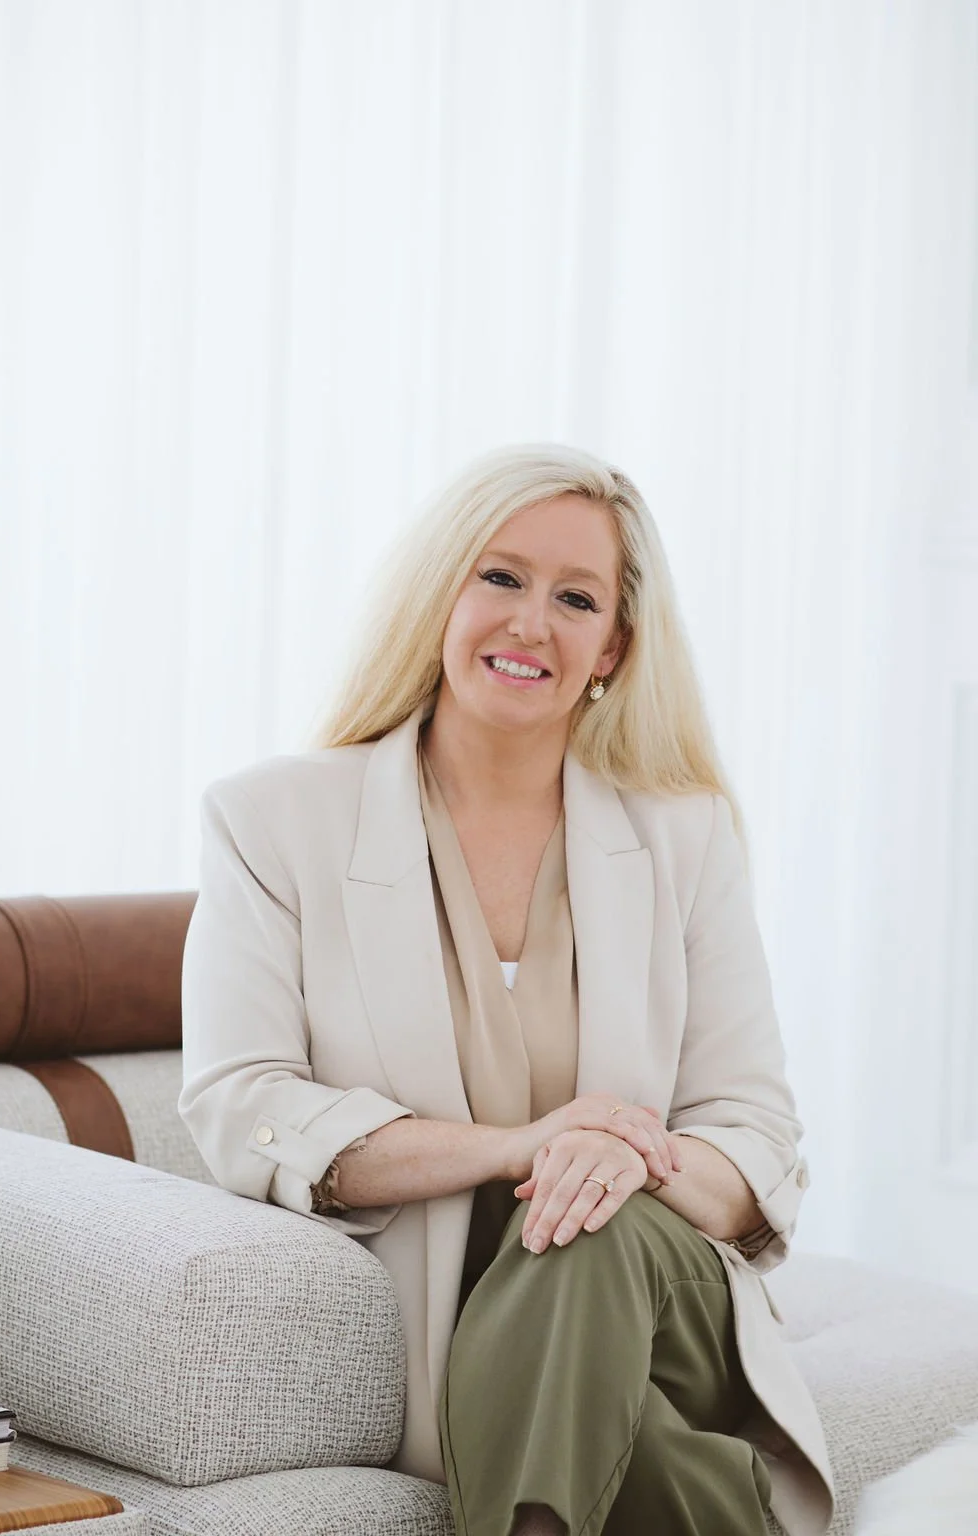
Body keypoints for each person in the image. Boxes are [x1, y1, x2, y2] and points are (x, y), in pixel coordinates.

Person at [178, 442, 835, 1536]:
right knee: (650, 1455)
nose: (531, 622)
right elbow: (242, 1107)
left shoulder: (684, 835)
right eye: (501, 577)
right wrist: (520, 1144)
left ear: (613, 648)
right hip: (453, 1311)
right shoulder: (273, 820)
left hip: (663, 1292)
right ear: (444, 590)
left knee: (587, 1230)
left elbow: (753, 1131)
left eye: (574, 598)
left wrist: (618, 1156)